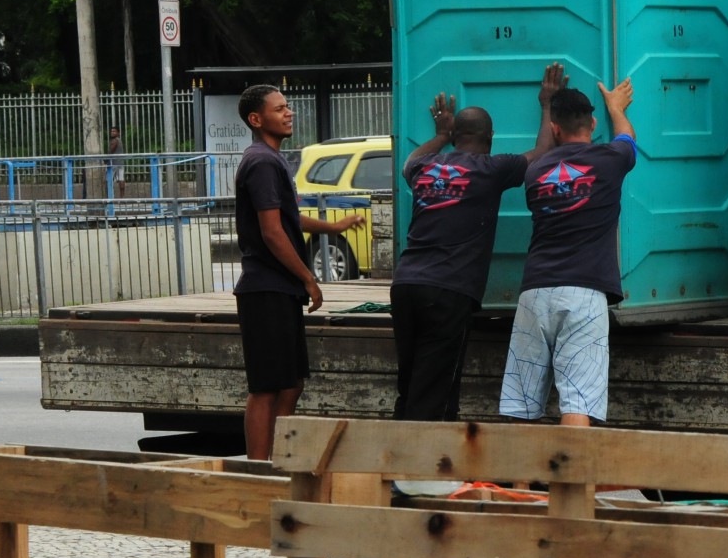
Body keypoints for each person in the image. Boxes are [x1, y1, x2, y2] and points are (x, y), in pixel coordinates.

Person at [392, 64, 567, 422]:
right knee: (436, 388)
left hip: (405, 284)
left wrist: (440, 135)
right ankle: (423, 472)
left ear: (456, 135)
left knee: (411, 382)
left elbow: (407, 161)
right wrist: (547, 103)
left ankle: (402, 465)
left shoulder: (426, 167)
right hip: (447, 290)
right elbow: (543, 153)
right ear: (490, 137)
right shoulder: (490, 168)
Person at [233, 85, 368, 461]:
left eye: (288, 106)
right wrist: (309, 277)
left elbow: (287, 217)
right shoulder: (261, 161)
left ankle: (278, 458)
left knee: (290, 385)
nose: (288, 113)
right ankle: (260, 468)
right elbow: (271, 231)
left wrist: (334, 229)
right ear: (256, 119)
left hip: (280, 288)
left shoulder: (271, 160)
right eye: (279, 109)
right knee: (267, 387)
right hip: (265, 288)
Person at [499, 78, 635, 427]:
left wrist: (545, 104)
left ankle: (520, 484)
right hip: (584, 294)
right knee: (578, 401)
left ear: (555, 128)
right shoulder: (610, 160)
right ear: (592, 124)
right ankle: (572, 482)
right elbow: (627, 140)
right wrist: (616, 108)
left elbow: (542, 154)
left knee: (521, 401)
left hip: (534, 293)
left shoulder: (535, 173)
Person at [105, 126, 124, 199]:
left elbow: (111, 151)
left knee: (108, 180)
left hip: (113, 164)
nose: (112, 132)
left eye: (114, 131)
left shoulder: (114, 141)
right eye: (111, 131)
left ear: (118, 133)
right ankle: (122, 198)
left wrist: (105, 159)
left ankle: (109, 197)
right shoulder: (119, 140)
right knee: (121, 179)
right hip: (120, 163)